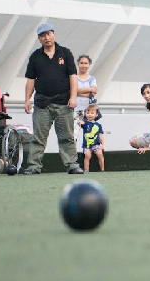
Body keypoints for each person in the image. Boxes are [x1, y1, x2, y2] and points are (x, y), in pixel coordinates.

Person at [23, 23, 84, 174]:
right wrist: (27, 100)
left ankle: (72, 165)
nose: (46, 37)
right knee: (38, 138)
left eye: (48, 34)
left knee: (67, 137)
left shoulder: (65, 53)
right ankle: (34, 166)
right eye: (43, 35)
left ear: (54, 34)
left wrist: (73, 97)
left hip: (64, 103)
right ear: (39, 39)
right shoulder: (35, 56)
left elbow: (72, 76)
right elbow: (30, 80)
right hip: (42, 104)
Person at [80, 104, 105, 172]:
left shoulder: (98, 125)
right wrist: (79, 120)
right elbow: (80, 123)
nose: (90, 114)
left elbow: (100, 135)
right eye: (88, 113)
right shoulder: (85, 123)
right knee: (87, 155)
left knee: (100, 154)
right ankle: (86, 170)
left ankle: (102, 169)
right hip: (87, 145)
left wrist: (102, 145)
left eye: (92, 113)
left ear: (96, 114)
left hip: (96, 144)